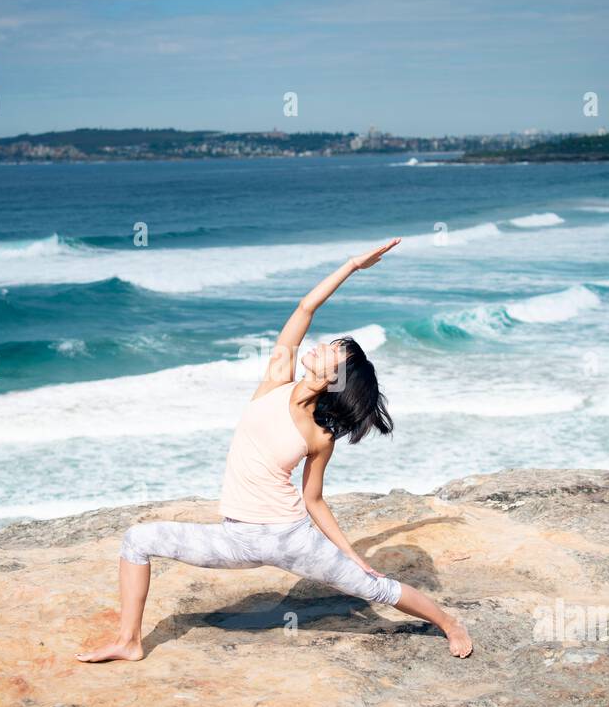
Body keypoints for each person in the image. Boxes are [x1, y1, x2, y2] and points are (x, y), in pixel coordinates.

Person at [78, 238, 473, 662]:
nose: (320, 347)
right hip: (236, 538)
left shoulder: (320, 435)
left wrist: (354, 556)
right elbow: (306, 308)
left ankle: (449, 623)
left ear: (335, 379)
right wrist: (353, 264)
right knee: (137, 540)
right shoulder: (275, 382)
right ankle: (130, 641)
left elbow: (313, 499)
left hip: (290, 539)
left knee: (375, 588)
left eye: (332, 352)